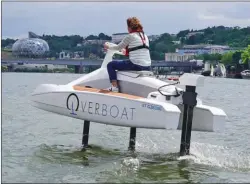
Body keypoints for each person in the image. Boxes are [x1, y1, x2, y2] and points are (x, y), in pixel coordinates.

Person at [104, 17, 151, 92]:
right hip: (147, 66)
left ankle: (114, 87)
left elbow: (118, 47)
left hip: (135, 64)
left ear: (130, 27)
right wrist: (123, 50)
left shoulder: (130, 36)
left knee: (110, 65)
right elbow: (135, 50)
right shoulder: (144, 36)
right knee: (123, 63)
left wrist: (108, 46)